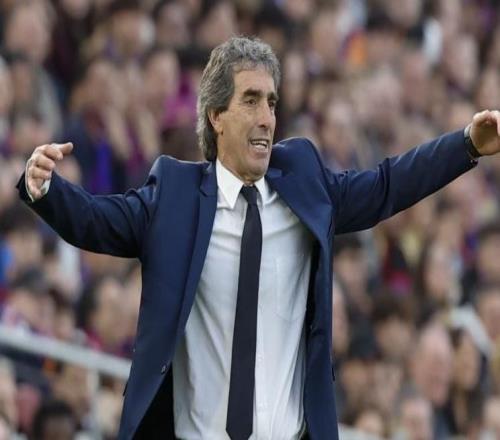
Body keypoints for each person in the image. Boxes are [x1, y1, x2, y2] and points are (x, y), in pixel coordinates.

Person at [17, 36, 500, 440]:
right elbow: (97, 221)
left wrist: (466, 145)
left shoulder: (305, 183)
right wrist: (46, 188)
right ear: (216, 116)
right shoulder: (176, 197)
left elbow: (387, 184)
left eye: (271, 101)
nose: (267, 116)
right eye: (250, 100)